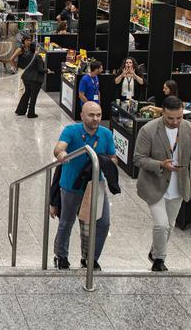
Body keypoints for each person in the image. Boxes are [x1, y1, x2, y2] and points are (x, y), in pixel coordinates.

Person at [134, 95, 191, 271]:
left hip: (178, 186)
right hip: (154, 185)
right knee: (161, 224)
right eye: (170, 118)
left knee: (168, 226)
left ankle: (154, 252)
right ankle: (159, 260)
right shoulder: (148, 130)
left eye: (179, 117)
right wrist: (160, 164)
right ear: (162, 113)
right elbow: (138, 158)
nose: (175, 122)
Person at [52, 101, 115, 270]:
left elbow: (112, 156)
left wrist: (108, 162)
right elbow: (59, 147)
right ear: (82, 116)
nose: (96, 119)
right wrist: (62, 154)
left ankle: (90, 257)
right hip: (71, 185)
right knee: (66, 221)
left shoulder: (106, 134)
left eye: (99, 115)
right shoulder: (71, 131)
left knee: (103, 223)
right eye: (91, 115)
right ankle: (61, 255)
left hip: (95, 185)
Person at [16, 42, 47, 118]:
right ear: (37, 48)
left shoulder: (26, 54)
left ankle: (20, 111)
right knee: (33, 96)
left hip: (26, 77)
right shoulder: (37, 57)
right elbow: (40, 69)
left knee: (26, 94)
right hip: (35, 79)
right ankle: (31, 113)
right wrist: (47, 70)